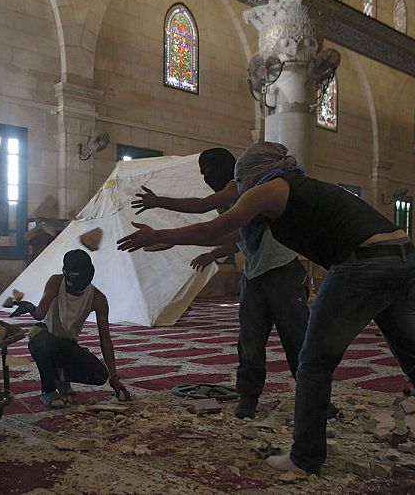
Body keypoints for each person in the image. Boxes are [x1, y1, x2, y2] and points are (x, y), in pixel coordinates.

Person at [117, 142, 415, 474]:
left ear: (249, 173)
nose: (237, 189)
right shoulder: (293, 185)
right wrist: (173, 238)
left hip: (363, 263)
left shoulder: (268, 188)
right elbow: (229, 232)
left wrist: (161, 232)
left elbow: (217, 225)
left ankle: (305, 458)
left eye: (239, 181)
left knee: (312, 362)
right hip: (404, 257)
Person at [132, 148, 311, 419]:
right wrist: (205, 251)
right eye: (201, 172)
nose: (206, 177)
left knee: (296, 339)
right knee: (249, 340)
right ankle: (248, 397)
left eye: (209, 171)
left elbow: (203, 208)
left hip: (282, 271)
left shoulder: (240, 188)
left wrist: (159, 203)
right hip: (254, 274)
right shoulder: (234, 198)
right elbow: (237, 236)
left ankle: (314, 399)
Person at [10, 249, 131, 408]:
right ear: (65, 274)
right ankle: (48, 390)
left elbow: (105, 339)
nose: (74, 289)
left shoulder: (97, 299)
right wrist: (31, 308)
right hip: (44, 334)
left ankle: (59, 375)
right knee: (42, 339)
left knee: (100, 375)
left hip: (66, 344)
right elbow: (40, 314)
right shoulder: (55, 282)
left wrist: (114, 377)